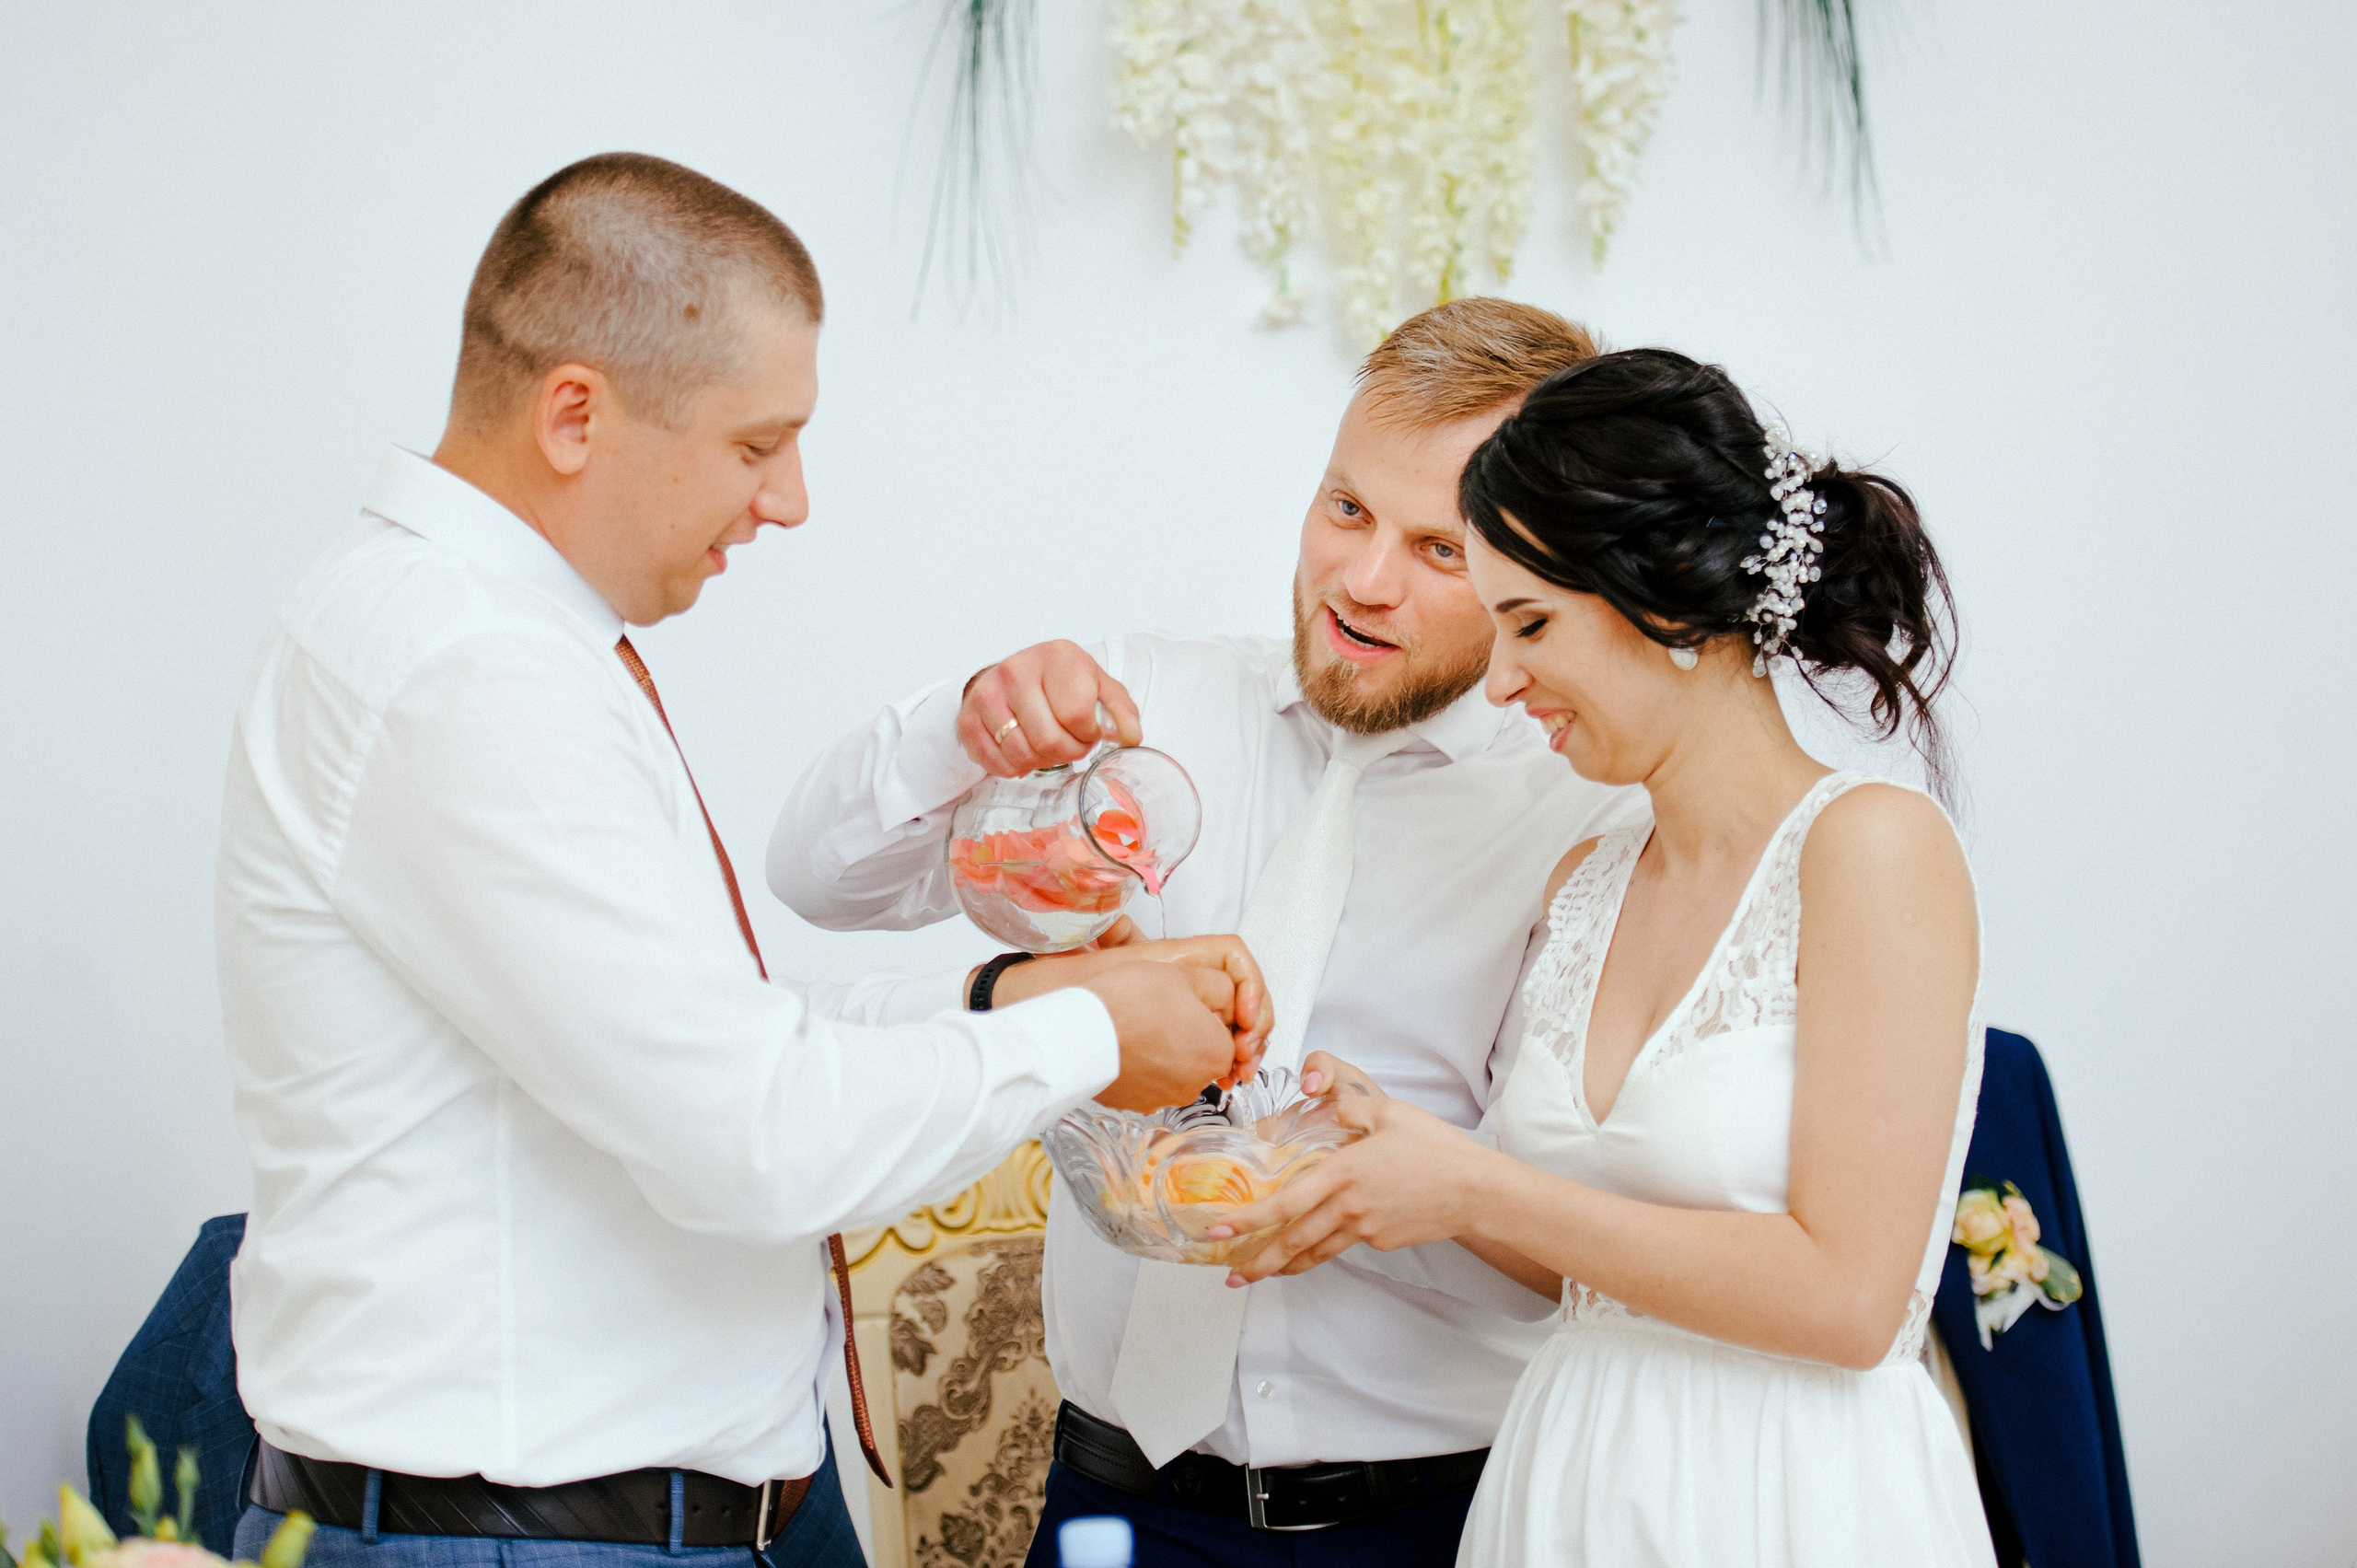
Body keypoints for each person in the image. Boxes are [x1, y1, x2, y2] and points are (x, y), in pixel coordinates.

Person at [216, 153, 1262, 1568]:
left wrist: (1004, 1003)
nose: (792, 501)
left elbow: (710, 1036)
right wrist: (1087, 1031)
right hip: (528, 1540)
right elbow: (752, 1135)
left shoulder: (488, 642)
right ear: (576, 414)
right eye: (757, 444)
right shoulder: (462, 670)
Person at [768, 299, 1643, 1567]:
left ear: (1542, 577)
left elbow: (1570, 1253)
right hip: (1117, 1504)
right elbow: (816, 877)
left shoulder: (1590, 819)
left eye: (1437, 551)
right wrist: (966, 722)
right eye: (1344, 510)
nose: (1363, 580)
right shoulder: (1145, 706)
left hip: (1433, 1522)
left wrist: (1387, 1185)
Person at [1216, 348, 1996, 1567]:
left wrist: (1476, 1187)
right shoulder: (1589, 881)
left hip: (1780, 1496)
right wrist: (1412, 1158)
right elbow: (1572, 1259)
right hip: (1571, 1476)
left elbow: (1849, 1298)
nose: (1504, 675)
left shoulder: (1873, 851)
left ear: (1671, 606)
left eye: (1530, 623)